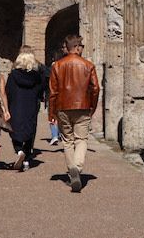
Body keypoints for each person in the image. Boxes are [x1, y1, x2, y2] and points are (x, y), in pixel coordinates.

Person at [49, 35, 100, 192]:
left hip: (63, 106)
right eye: (82, 46)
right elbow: (96, 88)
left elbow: (53, 92)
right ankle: (77, 167)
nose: (83, 48)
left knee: (68, 140)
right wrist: (92, 105)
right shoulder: (88, 65)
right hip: (83, 106)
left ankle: (72, 168)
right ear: (77, 47)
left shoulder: (57, 65)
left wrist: (51, 112)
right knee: (81, 139)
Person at [6, 51, 43, 171]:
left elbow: (9, 91)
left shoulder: (13, 75)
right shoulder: (37, 77)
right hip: (30, 107)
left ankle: (19, 151)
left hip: (16, 106)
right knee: (29, 133)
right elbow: (40, 91)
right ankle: (26, 160)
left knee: (14, 131)